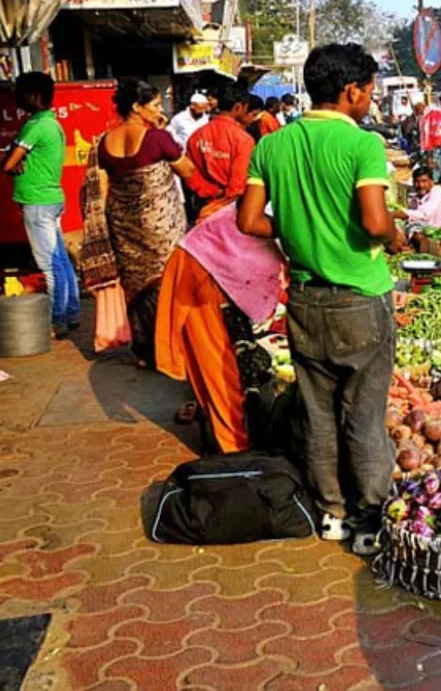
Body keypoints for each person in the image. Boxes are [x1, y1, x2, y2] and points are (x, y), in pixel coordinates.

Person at [236, 43, 405, 555]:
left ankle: (330, 512)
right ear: (351, 90)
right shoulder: (363, 146)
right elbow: (376, 221)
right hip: (361, 297)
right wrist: (395, 238)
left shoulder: (272, 145)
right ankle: (368, 519)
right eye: (370, 91)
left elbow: (248, 221)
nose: (371, 100)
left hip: (306, 299)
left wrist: (295, 232)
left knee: (318, 410)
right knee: (364, 413)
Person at [155, 202, 286, 454]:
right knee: (219, 366)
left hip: (215, 258)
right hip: (206, 264)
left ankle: (229, 439)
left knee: (216, 362)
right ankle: (235, 450)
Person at [99, 79, 198, 368]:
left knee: (135, 285)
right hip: (160, 226)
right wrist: (162, 131)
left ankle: (143, 350)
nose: (160, 110)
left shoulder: (105, 141)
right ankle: (166, 347)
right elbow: (188, 170)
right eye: (154, 105)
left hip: (124, 225)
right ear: (136, 107)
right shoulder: (157, 139)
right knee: (166, 284)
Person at [3, 72, 80, 337]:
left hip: (36, 202)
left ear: (33, 96)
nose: (17, 100)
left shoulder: (34, 125)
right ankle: (71, 313)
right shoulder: (51, 123)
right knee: (61, 261)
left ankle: (57, 319)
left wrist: (13, 163)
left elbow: (9, 163)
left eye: (20, 95)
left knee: (49, 264)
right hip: (50, 199)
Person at [184, 82, 258, 221]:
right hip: (229, 212)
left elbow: (188, 173)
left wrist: (208, 192)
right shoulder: (243, 140)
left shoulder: (196, 136)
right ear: (238, 107)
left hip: (204, 208)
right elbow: (237, 186)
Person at [398, 164, 441, 236]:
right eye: (417, 182)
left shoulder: (436, 192)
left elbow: (424, 214)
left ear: (431, 182)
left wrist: (399, 213)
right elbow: (413, 219)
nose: (420, 185)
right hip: (433, 232)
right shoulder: (415, 199)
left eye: (424, 181)